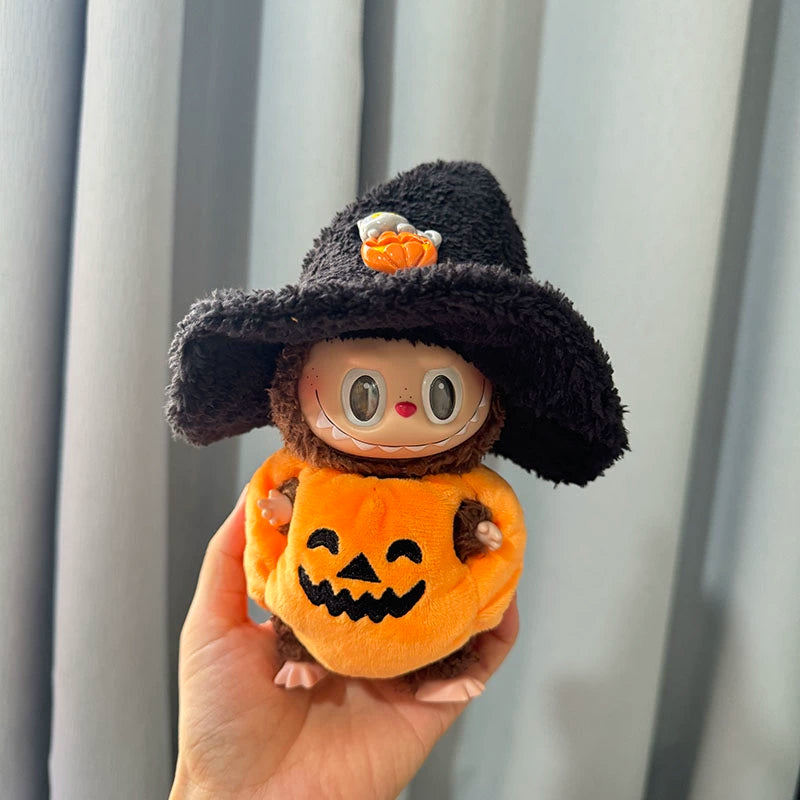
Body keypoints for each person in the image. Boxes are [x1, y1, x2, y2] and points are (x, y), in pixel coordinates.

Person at [170, 486, 519, 800]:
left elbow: (462, 521)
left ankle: (440, 674)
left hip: (420, 633)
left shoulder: (448, 492)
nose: (360, 570)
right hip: (316, 629)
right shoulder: (314, 482)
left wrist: (476, 529)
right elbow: (295, 507)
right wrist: (284, 507)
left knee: (448, 628)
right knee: (295, 612)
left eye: (401, 554)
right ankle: (302, 658)